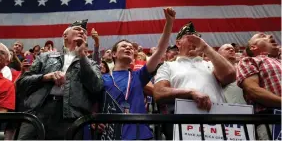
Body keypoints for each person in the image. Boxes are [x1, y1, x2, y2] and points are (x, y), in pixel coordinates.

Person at [16, 19, 103, 140]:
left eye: (84, 32)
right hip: (38, 111)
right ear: (65, 35)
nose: (82, 32)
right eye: (77, 29)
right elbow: (22, 83)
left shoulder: (91, 63)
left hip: (72, 117)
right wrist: (46, 77)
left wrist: (82, 55)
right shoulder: (45, 57)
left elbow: (96, 87)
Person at [101, 7, 175, 140]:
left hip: (140, 135)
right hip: (112, 135)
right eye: (124, 46)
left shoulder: (138, 76)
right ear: (113, 54)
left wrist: (169, 22)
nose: (129, 48)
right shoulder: (102, 78)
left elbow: (159, 51)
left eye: (130, 47)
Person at [153, 21, 236, 139]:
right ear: (178, 43)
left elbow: (230, 76)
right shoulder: (168, 66)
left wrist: (206, 48)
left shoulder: (210, 64)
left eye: (197, 38)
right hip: (185, 125)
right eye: (190, 37)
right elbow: (159, 92)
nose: (195, 40)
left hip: (216, 123)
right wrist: (190, 93)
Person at [237, 32, 281, 139]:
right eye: (263, 36)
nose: (270, 36)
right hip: (272, 120)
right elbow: (253, 90)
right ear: (253, 47)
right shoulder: (249, 61)